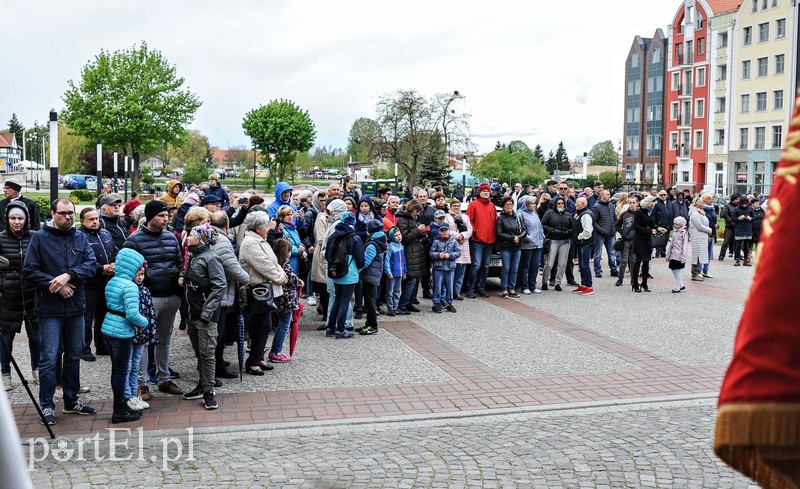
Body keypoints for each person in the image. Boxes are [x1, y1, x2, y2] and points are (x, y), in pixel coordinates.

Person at [23, 198, 98, 426]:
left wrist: (70, 275)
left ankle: (71, 399)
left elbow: (91, 264)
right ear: (53, 213)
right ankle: (46, 404)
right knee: (49, 358)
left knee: (74, 356)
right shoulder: (39, 237)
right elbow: (29, 270)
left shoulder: (80, 236)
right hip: (49, 309)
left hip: (76, 308)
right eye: (63, 213)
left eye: (71, 213)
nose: (68, 217)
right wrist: (55, 284)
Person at [123, 200, 184, 396]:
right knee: (143, 340)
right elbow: (126, 270)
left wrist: (181, 275)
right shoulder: (134, 240)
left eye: (167, 216)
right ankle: (142, 383)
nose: (166, 219)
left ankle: (164, 378)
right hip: (148, 298)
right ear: (150, 218)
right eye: (161, 216)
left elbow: (180, 262)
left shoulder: (171, 237)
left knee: (165, 339)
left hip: (171, 294)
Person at [102, 247, 149, 423]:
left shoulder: (113, 281)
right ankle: (119, 410)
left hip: (108, 327)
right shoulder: (130, 286)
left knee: (117, 370)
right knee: (122, 372)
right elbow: (132, 314)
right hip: (122, 331)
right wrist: (146, 323)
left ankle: (119, 407)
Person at [181, 225, 226, 410]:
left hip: (204, 316)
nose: (188, 236)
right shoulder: (192, 254)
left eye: (191, 234)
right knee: (199, 352)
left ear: (202, 238)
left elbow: (219, 286)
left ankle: (209, 391)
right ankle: (202, 384)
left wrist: (207, 313)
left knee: (207, 354)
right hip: (192, 314)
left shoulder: (211, 258)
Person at [239, 212, 287, 374]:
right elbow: (265, 266)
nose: (269, 227)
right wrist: (281, 278)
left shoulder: (260, 240)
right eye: (266, 225)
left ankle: (258, 358)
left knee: (264, 326)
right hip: (258, 291)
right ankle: (253, 361)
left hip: (265, 289)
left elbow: (273, 262)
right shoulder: (251, 243)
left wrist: (281, 274)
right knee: (261, 326)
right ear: (258, 228)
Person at [0, 202, 39, 392]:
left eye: (20, 218)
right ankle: (5, 373)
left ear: (26, 220)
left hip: (31, 294)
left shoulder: (34, 237)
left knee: (36, 336)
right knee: (6, 338)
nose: (16, 222)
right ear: (7, 220)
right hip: (8, 296)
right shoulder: (0, 239)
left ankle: (37, 369)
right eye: (13, 218)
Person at [209, 211, 249, 379]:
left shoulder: (209, 235)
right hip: (221, 293)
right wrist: (246, 278)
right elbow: (233, 267)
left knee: (216, 332)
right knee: (218, 333)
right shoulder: (222, 241)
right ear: (226, 226)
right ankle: (216, 367)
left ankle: (215, 363)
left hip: (213, 292)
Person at [77, 207, 117, 360]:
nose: (95, 222)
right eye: (91, 219)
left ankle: (101, 345)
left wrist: (114, 264)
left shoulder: (105, 233)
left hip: (106, 282)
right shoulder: (79, 236)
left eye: (96, 219)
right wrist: (100, 269)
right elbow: (79, 261)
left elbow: (114, 251)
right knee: (86, 318)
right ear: (82, 221)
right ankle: (84, 348)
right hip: (89, 283)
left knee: (103, 315)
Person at [325, 211, 364, 338]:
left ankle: (331, 328)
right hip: (349, 273)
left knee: (337, 299)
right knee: (344, 301)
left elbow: (327, 256)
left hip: (336, 273)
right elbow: (360, 260)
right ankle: (341, 330)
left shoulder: (333, 237)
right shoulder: (355, 238)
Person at [129, 260, 158, 408]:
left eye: (142, 274)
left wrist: (151, 330)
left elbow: (150, 311)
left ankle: (136, 391)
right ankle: (131, 393)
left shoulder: (145, 290)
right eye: (138, 274)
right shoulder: (129, 289)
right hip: (132, 332)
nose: (140, 277)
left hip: (143, 332)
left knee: (138, 359)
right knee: (131, 363)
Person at [269, 238, 302, 359]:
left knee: (281, 324)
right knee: (284, 325)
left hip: (280, 297)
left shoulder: (275, 262)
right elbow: (290, 277)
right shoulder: (285, 262)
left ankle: (275, 350)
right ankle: (276, 351)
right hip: (287, 298)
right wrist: (298, 281)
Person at [395, 200, 429, 313]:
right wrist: (418, 230)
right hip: (410, 252)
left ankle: (409, 303)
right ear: (411, 209)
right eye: (416, 211)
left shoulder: (411, 219)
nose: (417, 213)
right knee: (411, 280)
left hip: (415, 251)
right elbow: (405, 237)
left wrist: (421, 232)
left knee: (414, 281)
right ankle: (402, 305)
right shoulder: (402, 219)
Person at [465, 183, 497, 298]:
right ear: (479, 192)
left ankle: (481, 287)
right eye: (483, 191)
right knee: (476, 265)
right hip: (478, 240)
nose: (486, 192)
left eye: (487, 191)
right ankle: (470, 288)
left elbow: (496, 221)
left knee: (485, 266)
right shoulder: (473, 205)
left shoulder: (492, 206)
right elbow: (469, 221)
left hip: (490, 240)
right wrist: (475, 231)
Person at [630, 196, 665, 293]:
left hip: (647, 241)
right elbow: (636, 227)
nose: (654, 206)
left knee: (646, 263)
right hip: (639, 240)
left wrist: (658, 228)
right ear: (649, 204)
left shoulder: (650, 212)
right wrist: (649, 230)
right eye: (653, 204)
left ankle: (644, 283)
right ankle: (635, 283)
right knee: (638, 262)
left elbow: (652, 224)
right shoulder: (639, 212)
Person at [358, 220, 386, 334]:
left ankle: (373, 325)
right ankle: (368, 324)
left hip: (370, 275)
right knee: (370, 300)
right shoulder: (380, 240)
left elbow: (366, 262)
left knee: (369, 301)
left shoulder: (372, 244)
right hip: (373, 274)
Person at [541, 196, 573, 291]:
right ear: (555, 204)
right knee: (549, 263)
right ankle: (544, 281)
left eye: (562, 203)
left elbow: (572, 226)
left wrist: (568, 232)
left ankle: (558, 283)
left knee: (562, 264)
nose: (561, 205)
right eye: (559, 203)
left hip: (565, 241)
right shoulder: (549, 213)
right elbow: (542, 224)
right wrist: (551, 230)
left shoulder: (567, 214)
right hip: (553, 240)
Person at [495, 196, 525, 298]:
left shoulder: (518, 217)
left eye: (510, 204)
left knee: (514, 269)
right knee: (506, 269)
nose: (509, 206)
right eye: (507, 204)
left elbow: (524, 230)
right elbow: (499, 234)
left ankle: (511, 289)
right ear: (503, 207)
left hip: (517, 246)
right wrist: (512, 238)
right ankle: (504, 289)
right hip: (506, 247)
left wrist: (518, 237)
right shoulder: (501, 218)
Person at [444, 199, 472, 300]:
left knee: (461, 271)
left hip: (463, 244)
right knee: (451, 271)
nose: (456, 207)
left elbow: (470, 230)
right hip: (452, 244)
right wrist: (457, 236)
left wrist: (463, 236)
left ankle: (457, 291)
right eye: (454, 205)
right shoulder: (447, 217)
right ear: (450, 206)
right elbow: (446, 229)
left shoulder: (465, 217)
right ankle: (449, 292)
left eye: (458, 205)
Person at [517, 195, 544, 294]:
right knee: (525, 266)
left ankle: (532, 285)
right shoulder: (520, 214)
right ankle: (524, 286)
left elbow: (539, 227)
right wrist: (527, 238)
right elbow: (520, 229)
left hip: (538, 244)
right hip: (527, 245)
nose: (533, 205)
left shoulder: (535, 213)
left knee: (535, 265)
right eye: (531, 203)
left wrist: (542, 237)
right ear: (525, 204)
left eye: (534, 203)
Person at [591, 189, 618, 278]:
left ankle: (613, 270)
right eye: (607, 194)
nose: (609, 196)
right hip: (600, 234)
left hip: (611, 233)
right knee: (598, 252)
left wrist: (614, 229)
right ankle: (597, 270)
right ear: (601, 196)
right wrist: (602, 230)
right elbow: (593, 222)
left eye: (609, 194)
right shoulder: (596, 206)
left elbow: (614, 219)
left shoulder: (611, 206)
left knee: (611, 252)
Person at [614, 195, 639, 287]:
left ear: (637, 203)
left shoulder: (639, 214)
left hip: (636, 240)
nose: (632, 205)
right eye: (630, 203)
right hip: (626, 240)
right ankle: (620, 278)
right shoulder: (624, 214)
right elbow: (617, 225)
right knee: (624, 260)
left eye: (633, 203)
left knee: (633, 260)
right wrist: (622, 232)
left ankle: (633, 278)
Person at [572, 197, 595, 295]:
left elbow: (588, 231)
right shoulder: (581, 213)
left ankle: (589, 286)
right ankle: (584, 284)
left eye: (577, 203)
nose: (575, 205)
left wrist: (578, 237)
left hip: (585, 243)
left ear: (582, 204)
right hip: (582, 243)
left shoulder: (585, 215)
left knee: (585, 265)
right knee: (582, 265)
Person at [384, 227, 406, 316]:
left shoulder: (402, 247)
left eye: (399, 234)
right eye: (396, 235)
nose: (399, 237)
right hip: (392, 273)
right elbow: (387, 261)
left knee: (397, 291)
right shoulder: (390, 248)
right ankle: (390, 308)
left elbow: (403, 260)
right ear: (392, 237)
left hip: (400, 273)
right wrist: (388, 272)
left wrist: (404, 271)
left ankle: (395, 307)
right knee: (390, 291)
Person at [665, 216, 689, 293]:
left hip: (679, 255)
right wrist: (668, 254)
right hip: (673, 254)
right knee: (672, 268)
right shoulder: (675, 232)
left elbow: (685, 246)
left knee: (678, 270)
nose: (674, 225)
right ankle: (681, 284)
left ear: (681, 225)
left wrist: (683, 257)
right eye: (674, 223)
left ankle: (678, 286)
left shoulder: (684, 233)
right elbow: (671, 244)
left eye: (676, 224)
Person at [732, 197, 755, 266]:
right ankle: (737, 260)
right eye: (743, 204)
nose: (744, 205)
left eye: (746, 204)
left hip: (747, 229)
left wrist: (750, 218)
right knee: (738, 245)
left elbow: (753, 218)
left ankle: (745, 260)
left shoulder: (750, 208)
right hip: (739, 229)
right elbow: (733, 218)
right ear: (740, 203)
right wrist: (739, 218)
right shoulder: (736, 209)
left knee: (746, 246)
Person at [652, 189, 674, 257]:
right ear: (659, 196)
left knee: (666, 239)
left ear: (666, 195)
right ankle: (658, 253)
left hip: (668, 224)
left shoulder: (670, 203)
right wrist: (656, 225)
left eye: (664, 195)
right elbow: (654, 215)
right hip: (660, 225)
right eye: (661, 195)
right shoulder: (657, 204)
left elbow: (672, 212)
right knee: (659, 239)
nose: (663, 196)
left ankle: (663, 252)